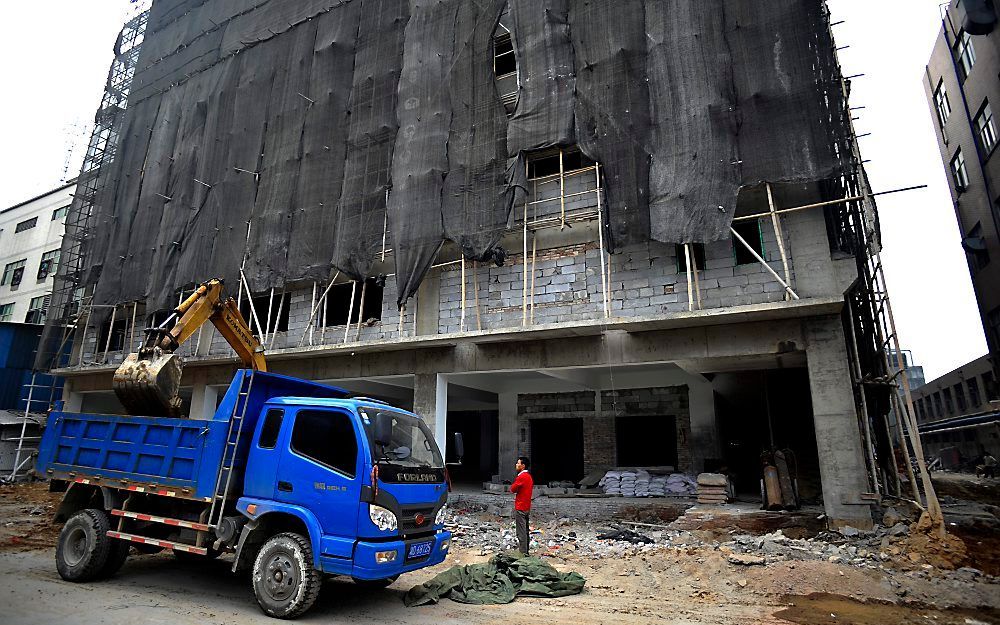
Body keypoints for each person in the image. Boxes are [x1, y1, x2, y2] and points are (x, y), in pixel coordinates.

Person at [510, 456, 534, 555]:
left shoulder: (522, 477)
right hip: (527, 506)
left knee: (521, 532)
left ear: (523, 466)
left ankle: (523, 552)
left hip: (520, 507)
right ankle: (526, 550)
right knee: (526, 530)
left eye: (518, 463)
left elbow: (513, 489)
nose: (516, 465)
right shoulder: (529, 476)